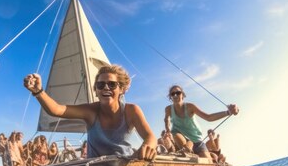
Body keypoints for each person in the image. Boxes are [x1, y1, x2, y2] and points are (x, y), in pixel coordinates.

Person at [24, 64, 157, 160]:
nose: (106, 87)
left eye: (112, 84)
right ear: (96, 91)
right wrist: (38, 91)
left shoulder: (131, 110)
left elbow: (150, 137)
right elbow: (56, 110)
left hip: (124, 165)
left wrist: (147, 147)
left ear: (121, 89)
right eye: (100, 85)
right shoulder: (90, 111)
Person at [163, 85, 239, 160]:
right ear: (171, 97)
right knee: (176, 134)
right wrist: (167, 130)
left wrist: (228, 112)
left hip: (196, 140)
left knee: (208, 162)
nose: (175, 95)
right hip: (180, 139)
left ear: (182, 94)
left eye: (178, 92)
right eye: (173, 94)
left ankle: (209, 156)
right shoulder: (168, 109)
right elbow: (166, 119)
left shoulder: (190, 107)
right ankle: (187, 151)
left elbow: (208, 117)